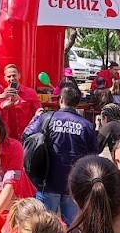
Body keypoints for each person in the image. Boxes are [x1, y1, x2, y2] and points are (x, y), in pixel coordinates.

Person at [23, 84, 97, 224]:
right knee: (72, 228)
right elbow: (93, 156)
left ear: (61, 99)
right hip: (73, 184)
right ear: (78, 102)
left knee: (44, 226)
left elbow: (26, 136)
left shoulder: (46, 118)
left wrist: (34, 118)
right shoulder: (87, 125)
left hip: (47, 181)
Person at [0, 64, 42, 138]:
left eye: (14, 75)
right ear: (5, 78)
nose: (12, 78)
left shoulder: (31, 92)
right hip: (8, 137)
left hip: (27, 136)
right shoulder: (2, 94)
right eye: (9, 76)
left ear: (19, 75)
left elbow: (38, 113)